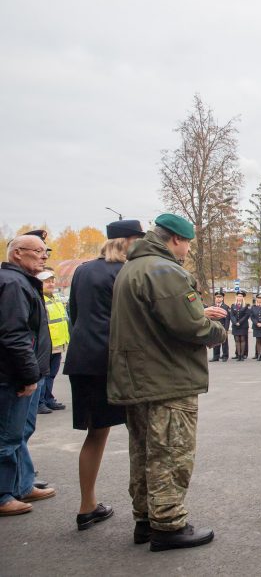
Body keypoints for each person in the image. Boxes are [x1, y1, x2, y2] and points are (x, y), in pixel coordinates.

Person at [108, 213, 227, 551]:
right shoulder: (165, 270)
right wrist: (217, 330)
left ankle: (145, 519)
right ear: (176, 239)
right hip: (166, 378)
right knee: (170, 452)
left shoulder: (132, 267)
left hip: (139, 377)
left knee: (144, 451)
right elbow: (190, 326)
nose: (187, 250)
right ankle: (169, 524)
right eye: (187, 243)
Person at [64, 219, 144, 530]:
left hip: (82, 360)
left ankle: (87, 505)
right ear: (128, 241)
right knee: (140, 433)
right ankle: (148, 510)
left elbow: (74, 312)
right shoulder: (126, 271)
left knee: (95, 433)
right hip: (115, 360)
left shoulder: (83, 270)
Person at [0, 234, 56, 517]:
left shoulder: (21, 282)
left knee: (20, 433)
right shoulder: (12, 284)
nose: (44, 255)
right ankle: (2, 494)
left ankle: (21, 484)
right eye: (38, 251)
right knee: (7, 437)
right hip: (13, 376)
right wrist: (29, 374)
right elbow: (14, 334)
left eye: (45, 251)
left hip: (26, 371)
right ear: (18, 254)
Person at [37, 269, 69, 413]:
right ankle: (40, 402)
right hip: (46, 344)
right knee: (43, 374)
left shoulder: (55, 297)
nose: (51, 284)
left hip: (57, 343)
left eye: (52, 281)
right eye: (47, 281)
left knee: (52, 374)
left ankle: (48, 398)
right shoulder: (39, 298)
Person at [209, 291, 231, 363]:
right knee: (215, 342)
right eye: (217, 297)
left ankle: (225, 356)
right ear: (215, 298)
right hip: (215, 327)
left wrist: (226, 329)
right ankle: (216, 356)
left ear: (222, 298)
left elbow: (227, 319)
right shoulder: (212, 306)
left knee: (224, 343)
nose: (218, 299)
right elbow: (210, 318)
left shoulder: (226, 307)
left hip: (223, 327)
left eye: (220, 297)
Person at [230, 291, 250, 361]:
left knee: (242, 339)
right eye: (238, 296)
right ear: (236, 297)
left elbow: (246, 315)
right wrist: (235, 322)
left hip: (243, 325)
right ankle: (238, 355)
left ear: (243, 297)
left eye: (241, 296)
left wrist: (240, 322)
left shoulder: (245, 306)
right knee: (237, 340)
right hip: (235, 326)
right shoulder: (233, 305)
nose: (239, 297)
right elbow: (232, 315)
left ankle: (242, 355)